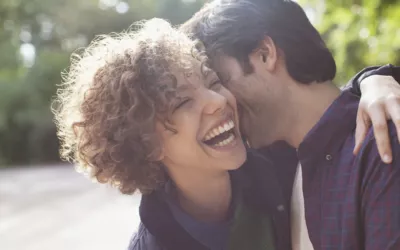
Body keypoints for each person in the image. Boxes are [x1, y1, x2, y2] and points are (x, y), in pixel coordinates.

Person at [52, 14, 400, 250]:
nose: (217, 101)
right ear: (146, 144)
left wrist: (375, 80)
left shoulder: (275, 158)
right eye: (181, 103)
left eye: (212, 81)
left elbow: (320, 110)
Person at [182, 0, 400, 249]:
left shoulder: (382, 145)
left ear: (265, 54)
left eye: (218, 81)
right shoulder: (273, 170)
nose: (221, 102)